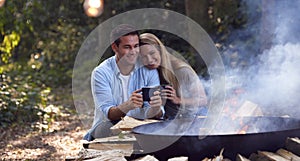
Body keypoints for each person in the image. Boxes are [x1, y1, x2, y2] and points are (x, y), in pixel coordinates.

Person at [84, 25, 163, 141]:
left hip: (140, 128)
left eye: (136, 46)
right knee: (106, 127)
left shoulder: (148, 70)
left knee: (160, 126)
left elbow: (151, 113)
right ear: (115, 47)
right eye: (127, 47)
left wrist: (156, 108)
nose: (133, 52)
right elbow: (109, 114)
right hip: (108, 128)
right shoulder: (101, 73)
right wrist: (128, 105)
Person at [139, 33, 208, 120]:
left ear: (160, 50)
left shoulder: (182, 70)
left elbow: (203, 100)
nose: (149, 60)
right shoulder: (147, 72)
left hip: (190, 120)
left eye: (152, 53)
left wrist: (178, 100)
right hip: (165, 121)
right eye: (143, 57)